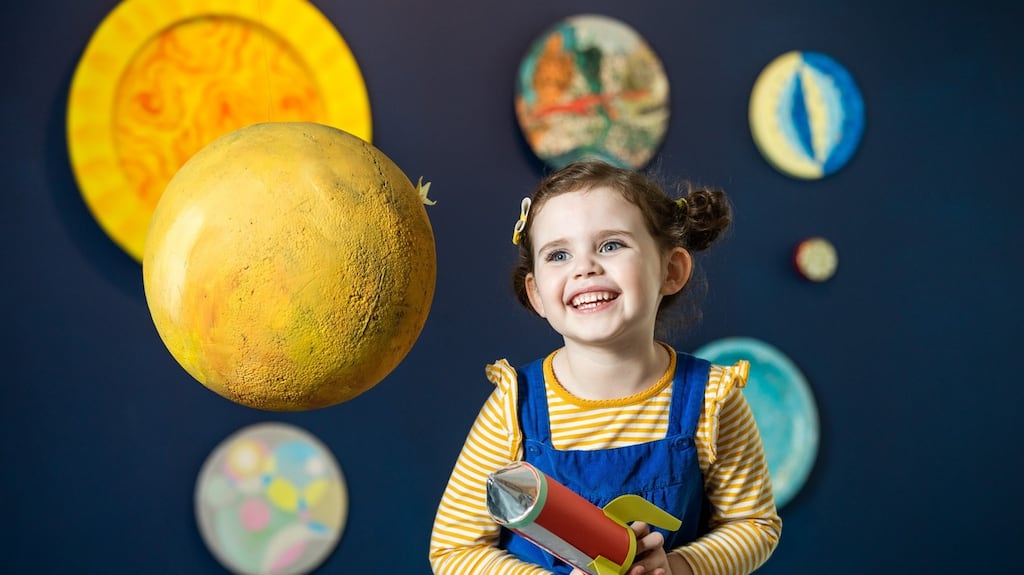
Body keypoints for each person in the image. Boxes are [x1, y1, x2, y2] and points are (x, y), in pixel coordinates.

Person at [429, 160, 781, 575]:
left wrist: (678, 566)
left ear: (670, 270)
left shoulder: (712, 400)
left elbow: (754, 525)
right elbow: (454, 551)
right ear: (537, 294)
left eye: (611, 245)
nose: (585, 268)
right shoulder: (512, 411)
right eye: (559, 254)